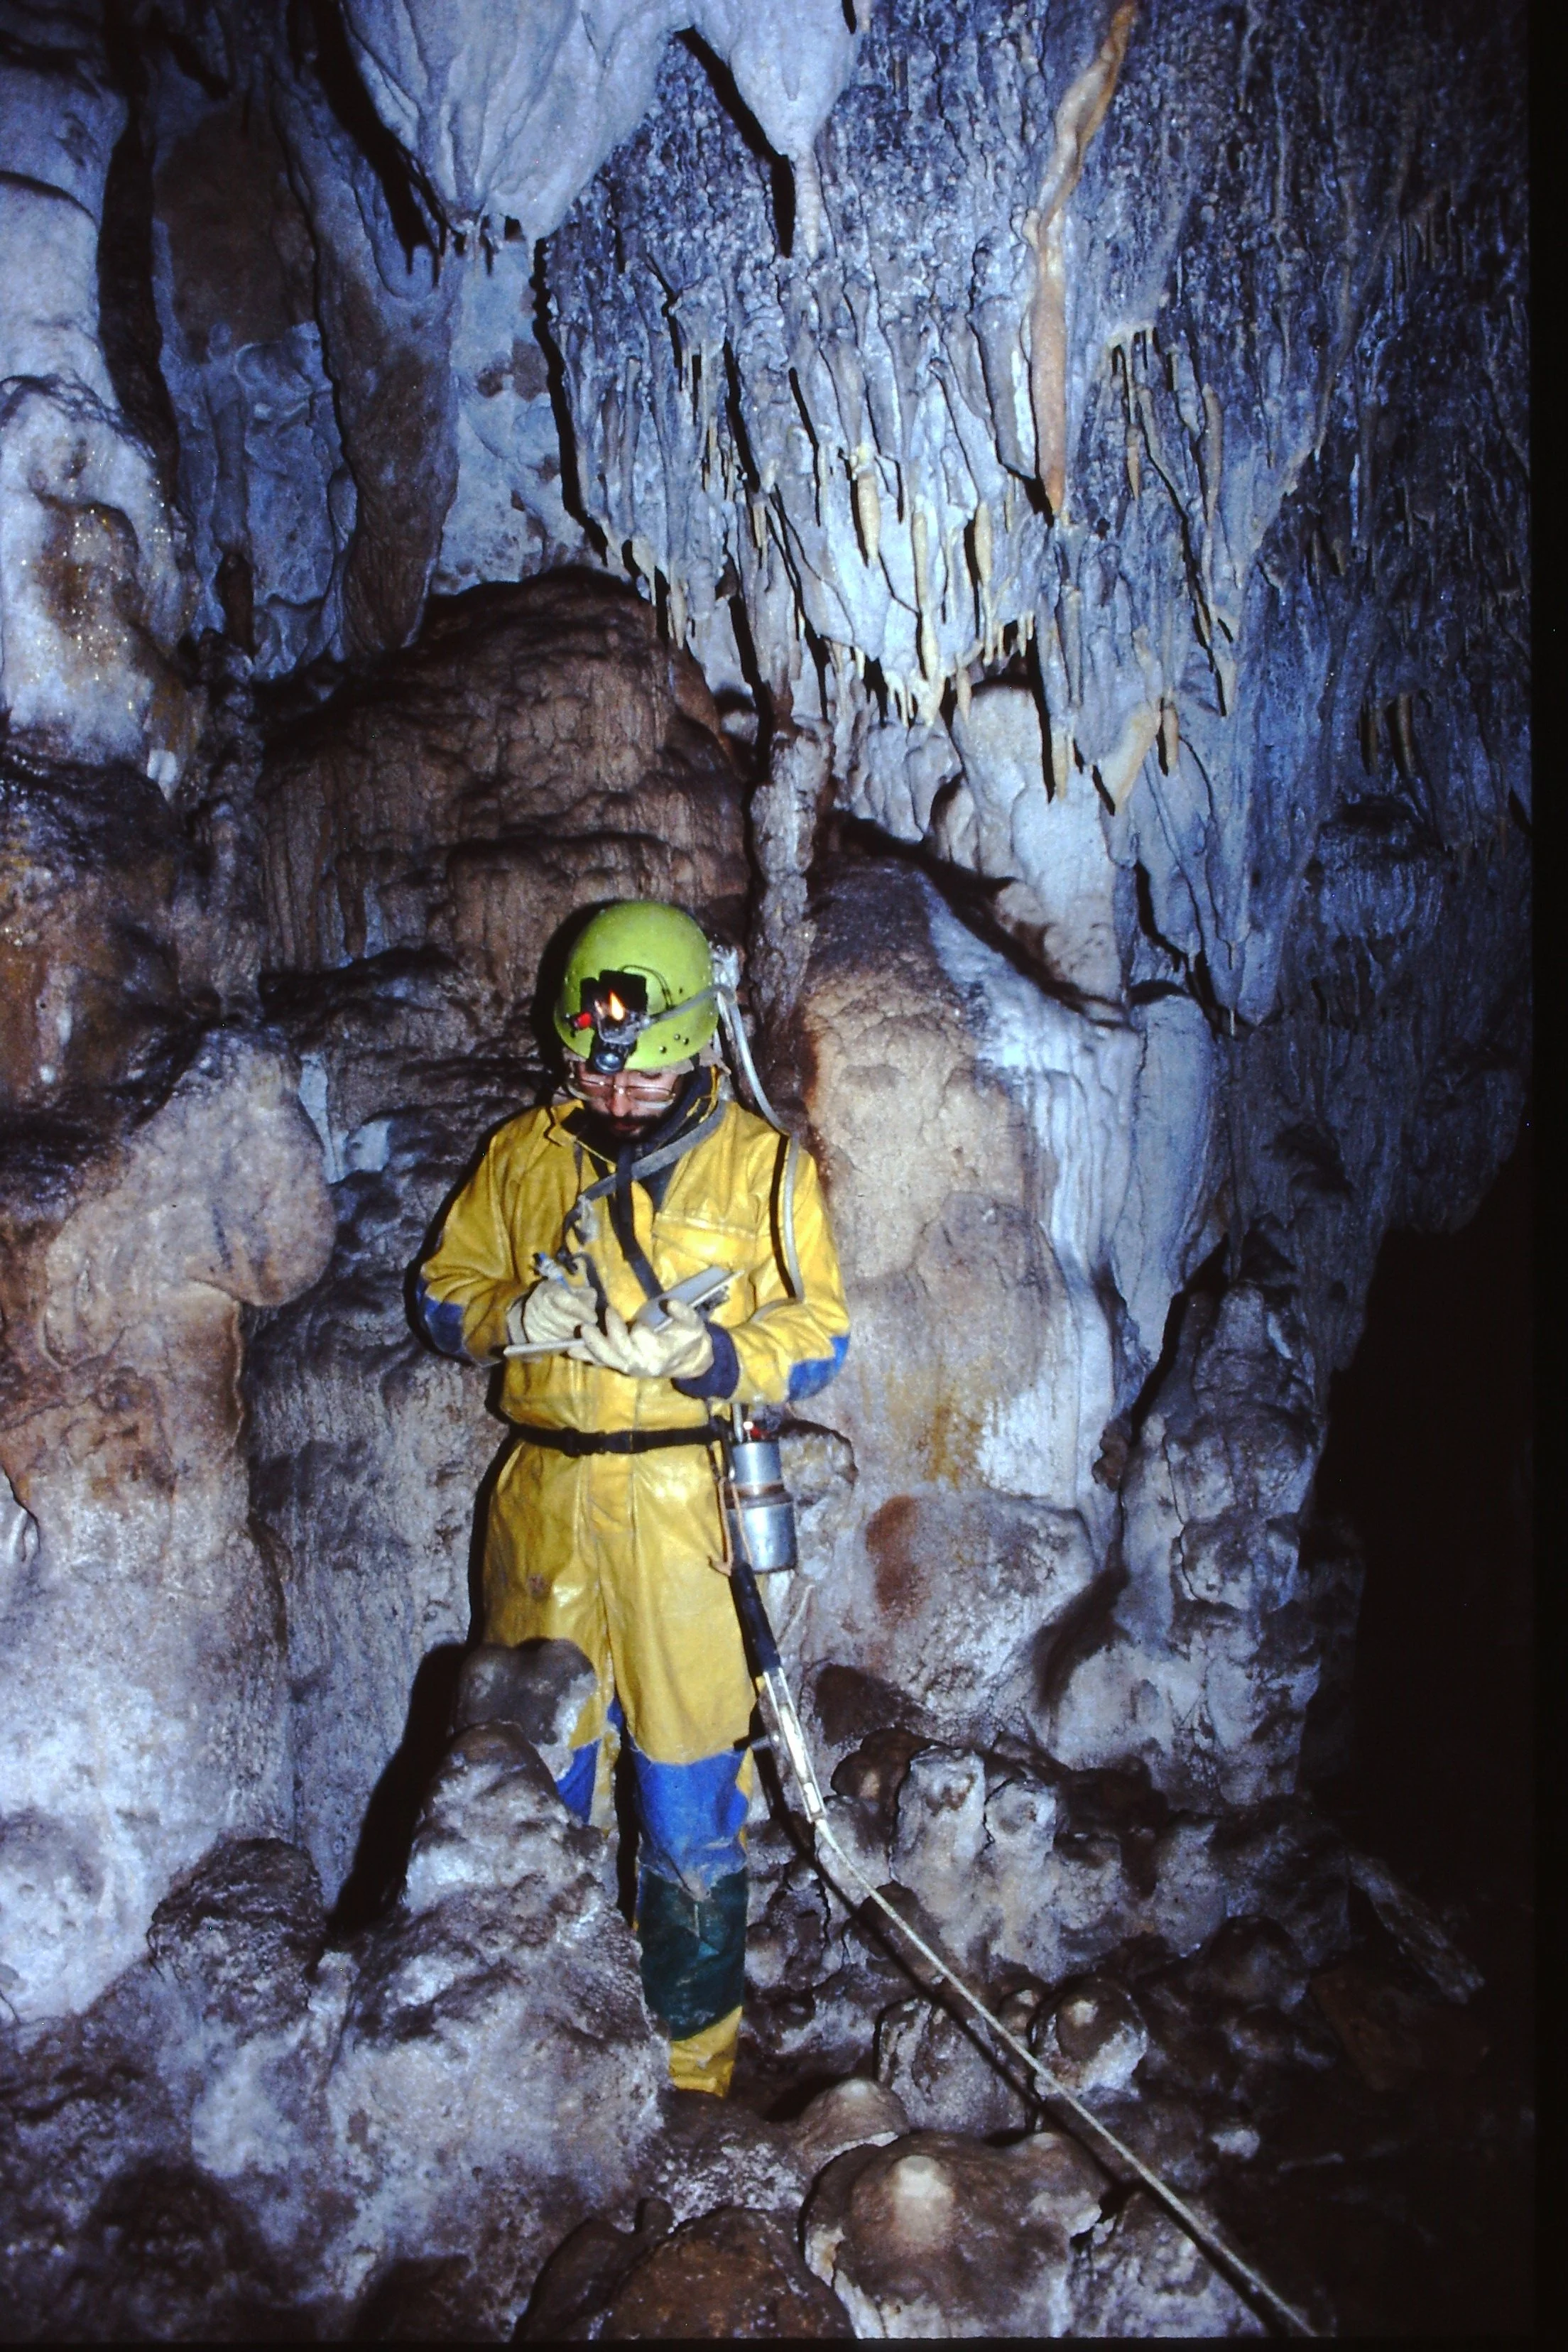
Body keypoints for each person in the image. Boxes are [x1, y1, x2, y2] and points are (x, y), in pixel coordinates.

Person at [415, 901, 850, 2096]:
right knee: (527, 1783)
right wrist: (514, 1316)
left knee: (686, 1790)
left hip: (680, 1510)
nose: (613, 1098)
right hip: (543, 1503)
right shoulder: (520, 1155)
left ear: (699, 1049)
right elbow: (441, 1293)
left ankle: (691, 2067)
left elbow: (820, 1334)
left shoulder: (762, 1171)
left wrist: (713, 1357)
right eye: (593, 1075)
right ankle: (546, 2049)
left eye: (643, 1081)